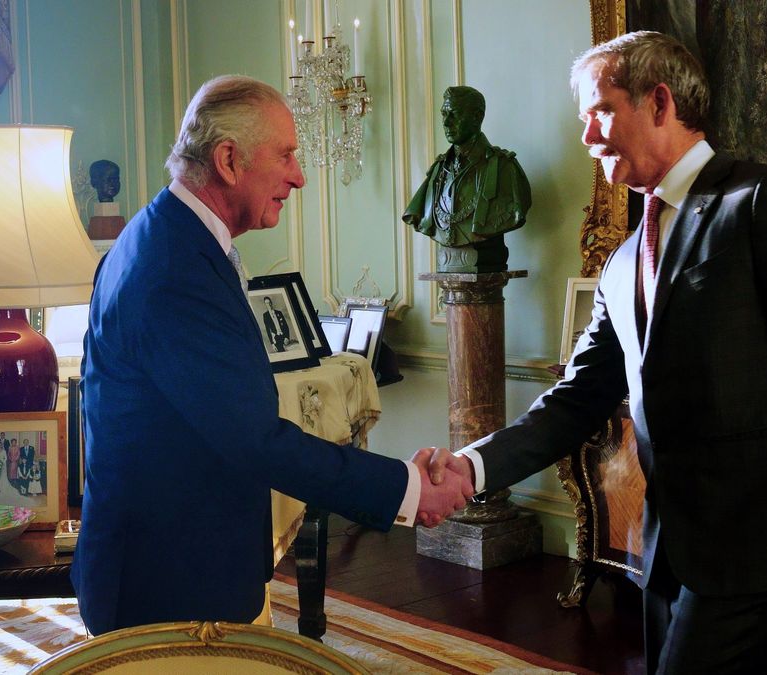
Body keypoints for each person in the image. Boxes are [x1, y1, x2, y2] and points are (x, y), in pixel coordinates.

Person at [425, 32, 767, 673]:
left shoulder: (765, 205)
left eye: (599, 112)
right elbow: (577, 398)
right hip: (664, 552)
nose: (586, 137)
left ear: (659, 102)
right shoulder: (622, 258)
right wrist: (474, 469)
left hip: (759, 552)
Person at [72, 74, 474, 636]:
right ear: (229, 160)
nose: (299, 176)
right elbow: (253, 440)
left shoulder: (165, 235)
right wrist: (407, 489)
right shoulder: (173, 270)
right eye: (285, 155)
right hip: (168, 591)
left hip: (173, 574)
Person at [402, 85, 532, 273]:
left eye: (454, 114)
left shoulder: (504, 167)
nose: (446, 122)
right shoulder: (439, 171)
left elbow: (515, 212)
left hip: (487, 270)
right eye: (444, 114)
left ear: (477, 117)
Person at [87, 159, 127, 240]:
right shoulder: (97, 223)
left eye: (116, 179)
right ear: (94, 182)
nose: (113, 184)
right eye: (108, 179)